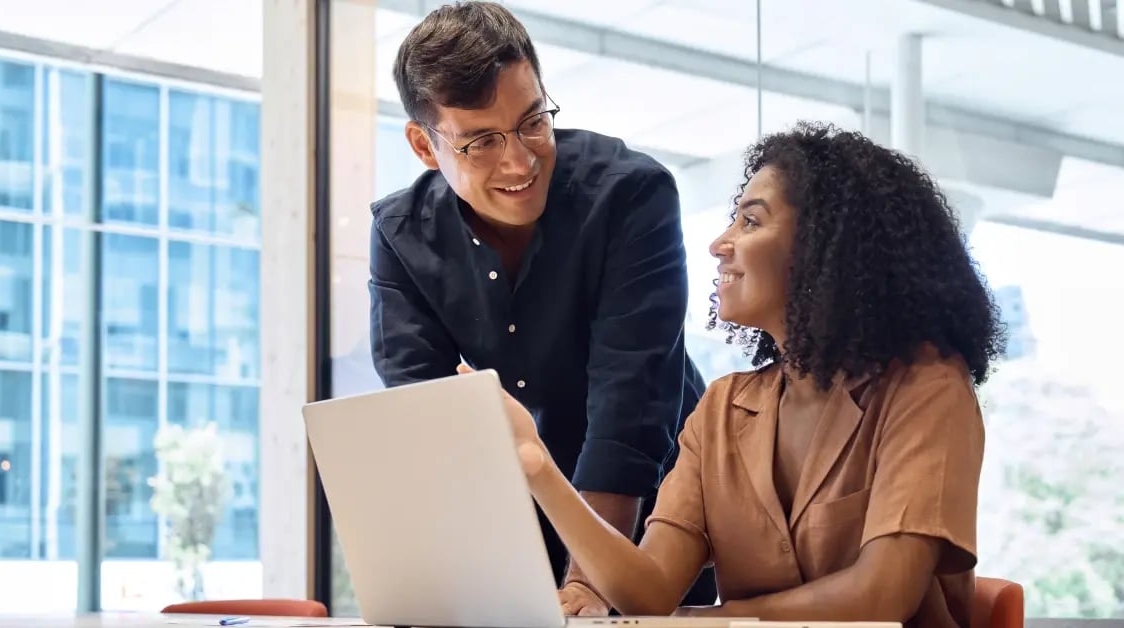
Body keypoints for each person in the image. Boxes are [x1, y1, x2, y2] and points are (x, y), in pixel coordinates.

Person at [466, 121, 1008, 625]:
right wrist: (538, 468)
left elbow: (880, 597)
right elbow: (650, 591)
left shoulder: (928, 386)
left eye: (750, 221)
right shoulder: (724, 408)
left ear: (825, 246)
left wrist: (712, 620)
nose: (719, 243)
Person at [367, 0, 716, 614]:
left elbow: (629, 404)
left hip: (653, 534)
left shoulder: (630, 197)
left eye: (533, 121)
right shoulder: (402, 235)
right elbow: (428, 416)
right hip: (511, 543)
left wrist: (590, 577)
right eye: (481, 142)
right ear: (425, 145)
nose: (522, 162)